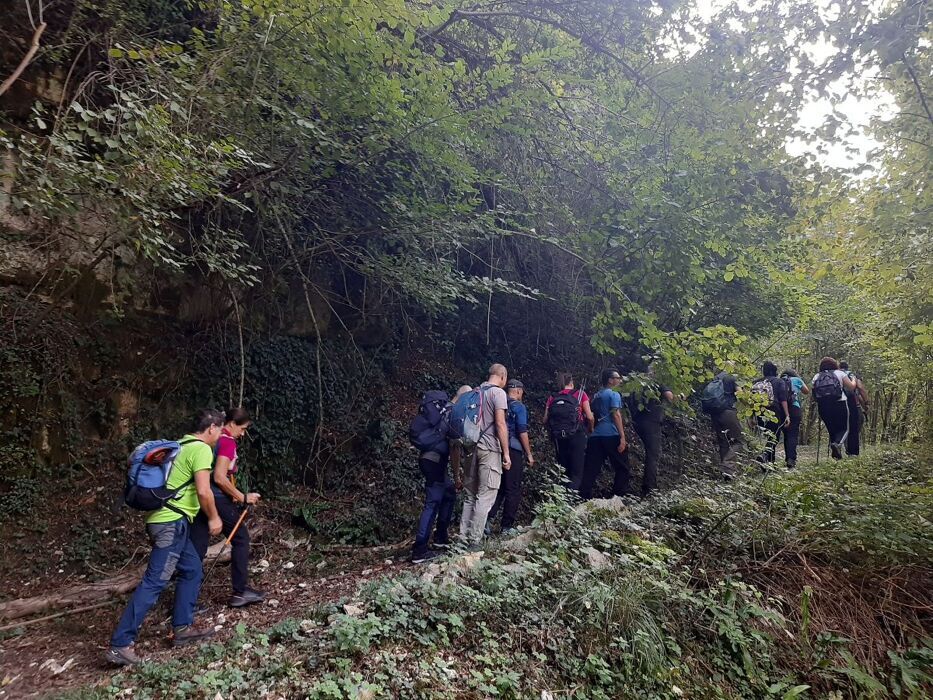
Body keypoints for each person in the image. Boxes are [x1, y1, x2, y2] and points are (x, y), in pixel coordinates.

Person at [106, 409, 225, 666]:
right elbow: (204, 492)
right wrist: (214, 518)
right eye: (220, 430)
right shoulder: (201, 449)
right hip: (170, 524)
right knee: (155, 581)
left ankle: (182, 628)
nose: (219, 436)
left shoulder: (179, 445)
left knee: (192, 568)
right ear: (212, 427)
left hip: (169, 521)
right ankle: (120, 644)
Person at [190, 408, 264, 607]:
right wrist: (242, 497)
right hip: (216, 497)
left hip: (198, 497)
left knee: (197, 546)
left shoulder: (211, 440)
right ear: (231, 424)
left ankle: (188, 601)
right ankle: (240, 592)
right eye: (243, 428)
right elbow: (220, 477)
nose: (243, 433)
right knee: (241, 538)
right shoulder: (227, 441)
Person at [408, 386, 470, 564]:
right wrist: (458, 473)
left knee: (449, 492)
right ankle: (419, 550)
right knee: (432, 502)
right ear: (463, 397)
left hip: (429, 460)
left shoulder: (441, 412)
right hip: (434, 461)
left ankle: (441, 537)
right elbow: (454, 447)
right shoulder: (452, 414)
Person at [457, 364, 511, 548]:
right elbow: (500, 424)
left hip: (471, 447)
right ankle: (474, 541)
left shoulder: (476, 392)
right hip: (489, 448)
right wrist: (506, 453)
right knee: (486, 494)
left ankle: (462, 539)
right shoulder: (498, 394)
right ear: (502, 376)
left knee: (470, 495)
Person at [487, 379, 534, 535]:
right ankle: (506, 526)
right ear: (518, 391)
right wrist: (528, 454)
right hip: (513, 449)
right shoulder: (518, 407)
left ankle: (487, 519)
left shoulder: (498, 403)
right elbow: (522, 431)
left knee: (499, 487)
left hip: (495, 448)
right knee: (513, 488)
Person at [579, 369, 629, 499]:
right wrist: (622, 436)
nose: (619, 380)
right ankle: (618, 496)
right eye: (617, 377)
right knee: (622, 468)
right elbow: (616, 414)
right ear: (610, 380)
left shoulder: (596, 396)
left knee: (591, 468)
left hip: (595, 436)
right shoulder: (614, 394)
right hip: (611, 434)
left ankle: (583, 496)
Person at [626, 369, 674, 497]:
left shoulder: (638, 382)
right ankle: (649, 489)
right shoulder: (658, 382)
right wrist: (679, 396)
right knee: (653, 455)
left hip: (637, 422)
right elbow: (670, 397)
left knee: (648, 454)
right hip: (652, 423)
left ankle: (631, 485)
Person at [542, 372, 593, 490]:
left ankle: (562, 499)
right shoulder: (580, 394)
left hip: (559, 437)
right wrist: (590, 429)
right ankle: (572, 501)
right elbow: (590, 417)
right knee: (577, 471)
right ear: (571, 382)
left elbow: (545, 419)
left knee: (564, 470)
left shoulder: (552, 397)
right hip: (577, 435)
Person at [811, 357, 858, 459]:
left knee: (832, 430)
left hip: (823, 406)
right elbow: (851, 387)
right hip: (840, 403)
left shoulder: (817, 376)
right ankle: (836, 445)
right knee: (845, 428)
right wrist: (854, 380)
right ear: (834, 365)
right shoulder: (840, 373)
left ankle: (837, 456)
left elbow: (814, 393)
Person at [701, 369, 742, 478]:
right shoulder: (731, 378)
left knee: (723, 442)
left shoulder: (715, 380)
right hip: (728, 411)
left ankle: (725, 474)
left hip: (715, 414)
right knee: (739, 440)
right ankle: (728, 467)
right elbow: (741, 394)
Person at [752, 361, 791, 464]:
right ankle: (765, 454)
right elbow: (783, 399)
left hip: (759, 412)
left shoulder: (755, 382)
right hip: (774, 411)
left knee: (769, 436)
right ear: (775, 371)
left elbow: (751, 400)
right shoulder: (779, 381)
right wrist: (787, 415)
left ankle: (770, 464)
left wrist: (751, 417)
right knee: (774, 437)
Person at [779, 369, 809, 468]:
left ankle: (788, 458)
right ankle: (791, 459)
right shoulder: (796, 380)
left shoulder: (779, 381)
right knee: (793, 434)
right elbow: (806, 391)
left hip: (781, 410)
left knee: (786, 434)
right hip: (794, 408)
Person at [839, 361, 869, 456]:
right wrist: (867, 403)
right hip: (854, 407)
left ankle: (847, 449)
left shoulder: (836, 376)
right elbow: (859, 388)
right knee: (854, 429)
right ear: (847, 367)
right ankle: (852, 452)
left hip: (839, 406)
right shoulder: (852, 375)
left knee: (844, 429)